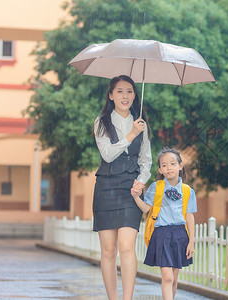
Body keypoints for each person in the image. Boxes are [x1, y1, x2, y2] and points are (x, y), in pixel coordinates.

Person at [93, 75, 152, 300]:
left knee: (127, 245)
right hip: (106, 187)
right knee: (108, 250)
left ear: (135, 95)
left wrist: (142, 180)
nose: (125, 96)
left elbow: (145, 159)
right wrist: (131, 135)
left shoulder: (141, 123)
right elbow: (107, 155)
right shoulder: (101, 122)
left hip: (131, 190)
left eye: (129, 91)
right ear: (111, 95)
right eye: (119, 91)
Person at [131, 147, 197, 300]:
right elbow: (146, 209)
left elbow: (189, 217)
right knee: (167, 277)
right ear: (160, 169)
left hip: (180, 234)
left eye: (172, 164)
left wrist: (191, 241)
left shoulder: (188, 191)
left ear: (180, 166)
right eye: (164, 165)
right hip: (161, 234)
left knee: (173, 277)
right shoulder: (156, 187)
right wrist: (136, 197)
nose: (169, 168)